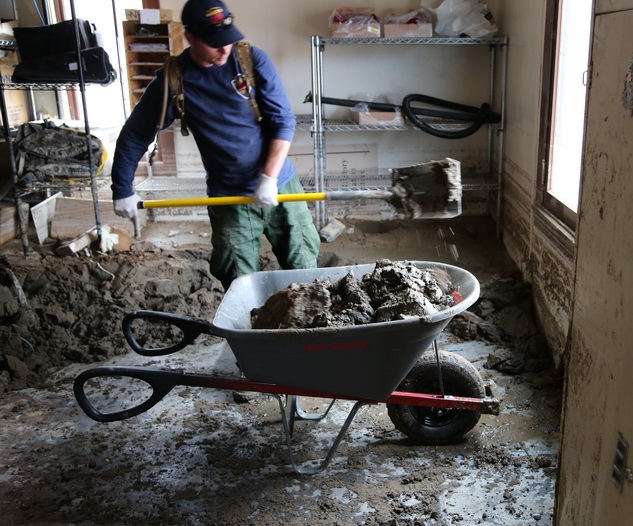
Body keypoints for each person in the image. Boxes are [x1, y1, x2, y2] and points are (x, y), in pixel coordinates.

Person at [110, 0, 320, 290]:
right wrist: (122, 188)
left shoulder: (251, 60)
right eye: (214, 43)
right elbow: (135, 135)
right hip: (229, 197)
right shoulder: (174, 80)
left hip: (281, 185)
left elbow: (283, 121)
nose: (224, 49)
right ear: (190, 37)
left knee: (304, 269)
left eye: (228, 40)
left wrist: (269, 178)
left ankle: (314, 332)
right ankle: (252, 332)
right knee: (239, 280)